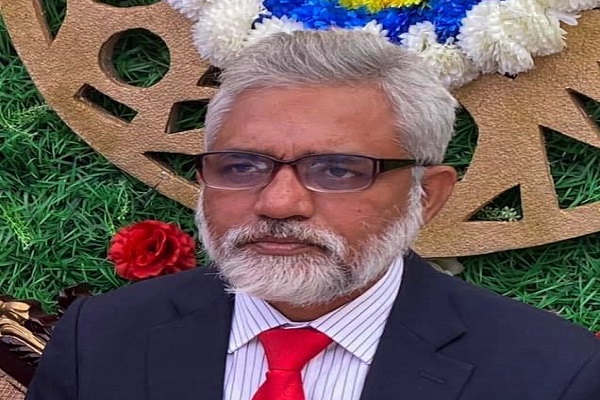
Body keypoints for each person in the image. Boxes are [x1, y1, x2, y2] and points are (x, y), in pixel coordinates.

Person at [26, 30, 600, 400]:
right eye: (242, 166)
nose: (278, 204)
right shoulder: (101, 337)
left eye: (338, 170)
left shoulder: (554, 374)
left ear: (426, 196)